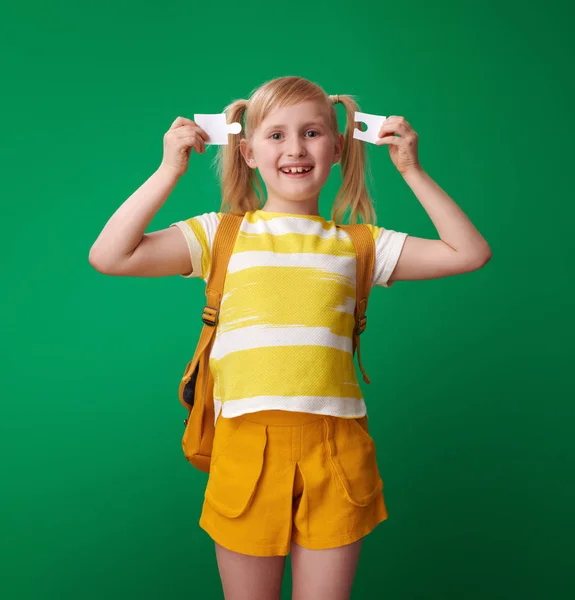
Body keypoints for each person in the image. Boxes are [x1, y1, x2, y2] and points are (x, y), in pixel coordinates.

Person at [89, 75, 491, 600]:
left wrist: (412, 170)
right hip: (246, 447)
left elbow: (469, 252)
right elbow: (110, 255)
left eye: (312, 133)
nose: (295, 148)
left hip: (336, 450)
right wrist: (169, 170)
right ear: (248, 151)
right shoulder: (221, 236)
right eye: (275, 135)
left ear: (339, 147)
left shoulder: (360, 245)